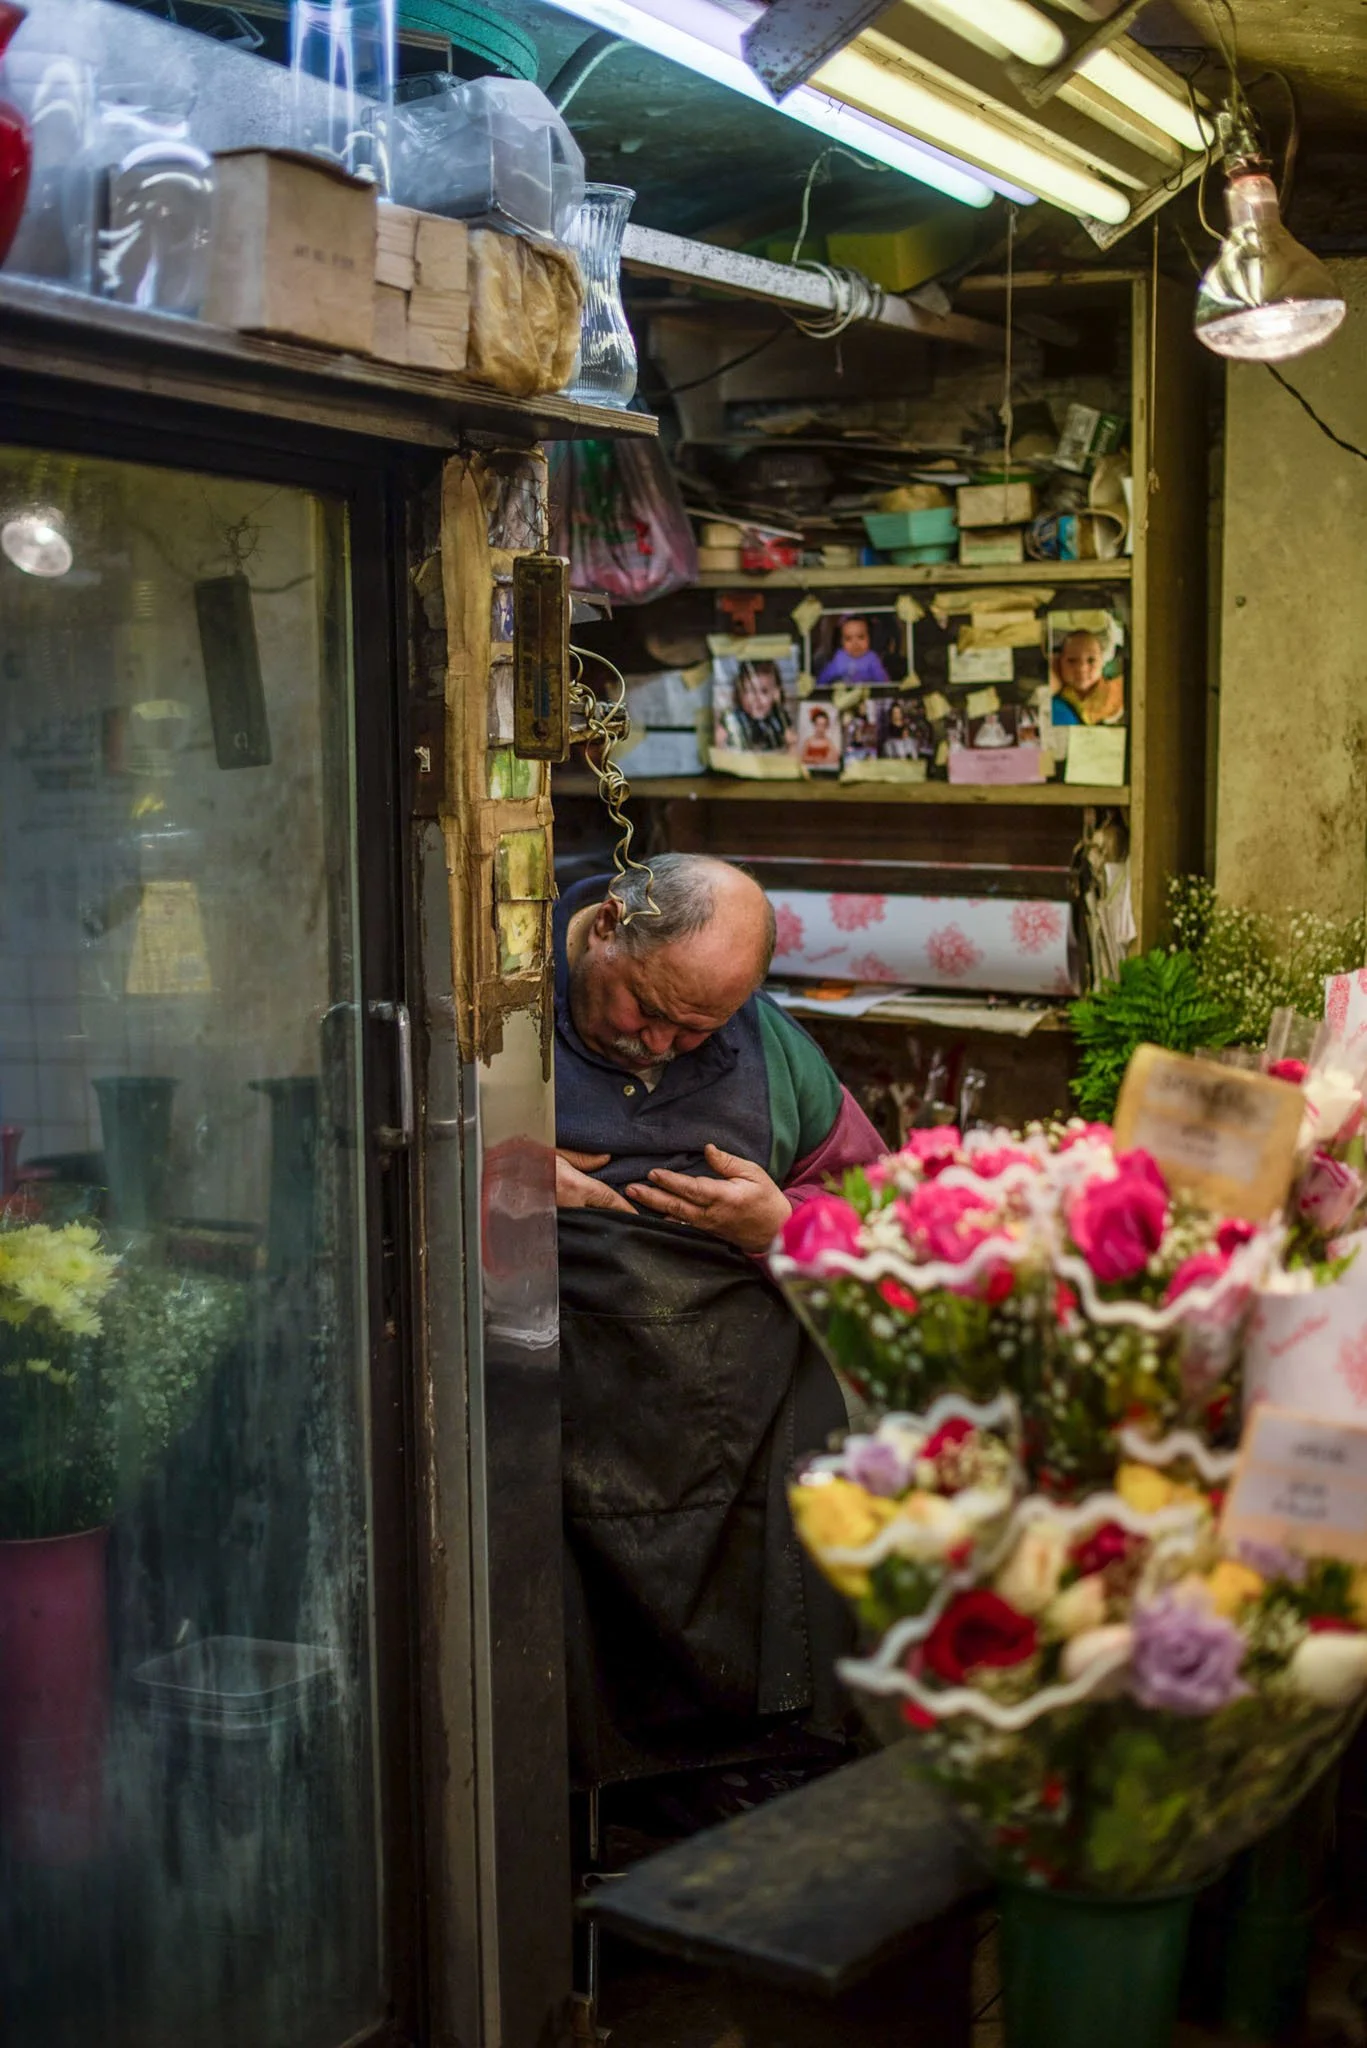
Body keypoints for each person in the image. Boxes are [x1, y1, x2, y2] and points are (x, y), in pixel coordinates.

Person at [553, 855, 882, 1781]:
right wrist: (495, 1179)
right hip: (556, 1396)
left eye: (697, 1032)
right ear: (610, 925)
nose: (659, 1047)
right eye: (645, 1010)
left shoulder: (771, 1052)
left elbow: (883, 1215)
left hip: (732, 1413)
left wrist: (782, 1227)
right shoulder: (488, 1000)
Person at [716, 658, 794, 752]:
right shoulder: (733, 717)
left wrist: (791, 746)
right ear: (740, 692)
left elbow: (792, 743)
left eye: (764, 691)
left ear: (775, 693)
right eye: (750, 691)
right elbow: (718, 741)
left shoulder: (778, 717)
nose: (757, 698)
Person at [1051, 627, 1124, 726]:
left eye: (1091, 660)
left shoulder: (1117, 688)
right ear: (1059, 663)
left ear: (1102, 663)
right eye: (1071, 660)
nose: (1082, 668)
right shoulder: (1061, 693)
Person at [816, 614, 889, 687]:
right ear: (842, 642)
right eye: (848, 639)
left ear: (869, 638)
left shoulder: (872, 658)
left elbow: (883, 681)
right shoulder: (839, 657)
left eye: (861, 637)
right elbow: (824, 677)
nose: (855, 643)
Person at [798, 703, 841, 769]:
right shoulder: (809, 741)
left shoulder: (828, 742)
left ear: (826, 727)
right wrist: (814, 760)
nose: (820, 729)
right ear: (814, 725)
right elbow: (802, 758)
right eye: (818, 725)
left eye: (823, 725)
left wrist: (825, 760)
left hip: (824, 770)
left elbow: (835, 757)